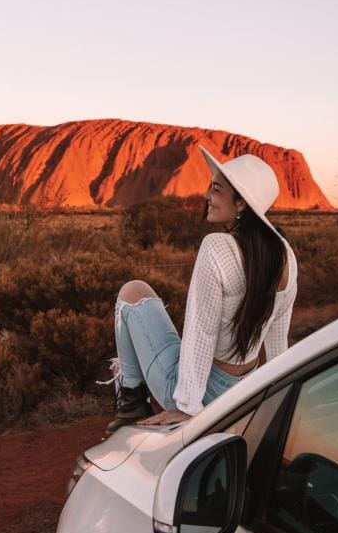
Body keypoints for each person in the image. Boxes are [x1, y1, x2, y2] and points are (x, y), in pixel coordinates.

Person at [106, 147, 298, 432]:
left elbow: (202, 332)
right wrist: (277, 404)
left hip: (203, 392)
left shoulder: (217, 247)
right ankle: (131, 389)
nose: (207, 195)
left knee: (133, 291)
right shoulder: (285, 256)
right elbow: (277, 341)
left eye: (216, 189)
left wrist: (187, 408)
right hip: (245, 390)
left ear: (241, 203)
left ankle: (131, 403)